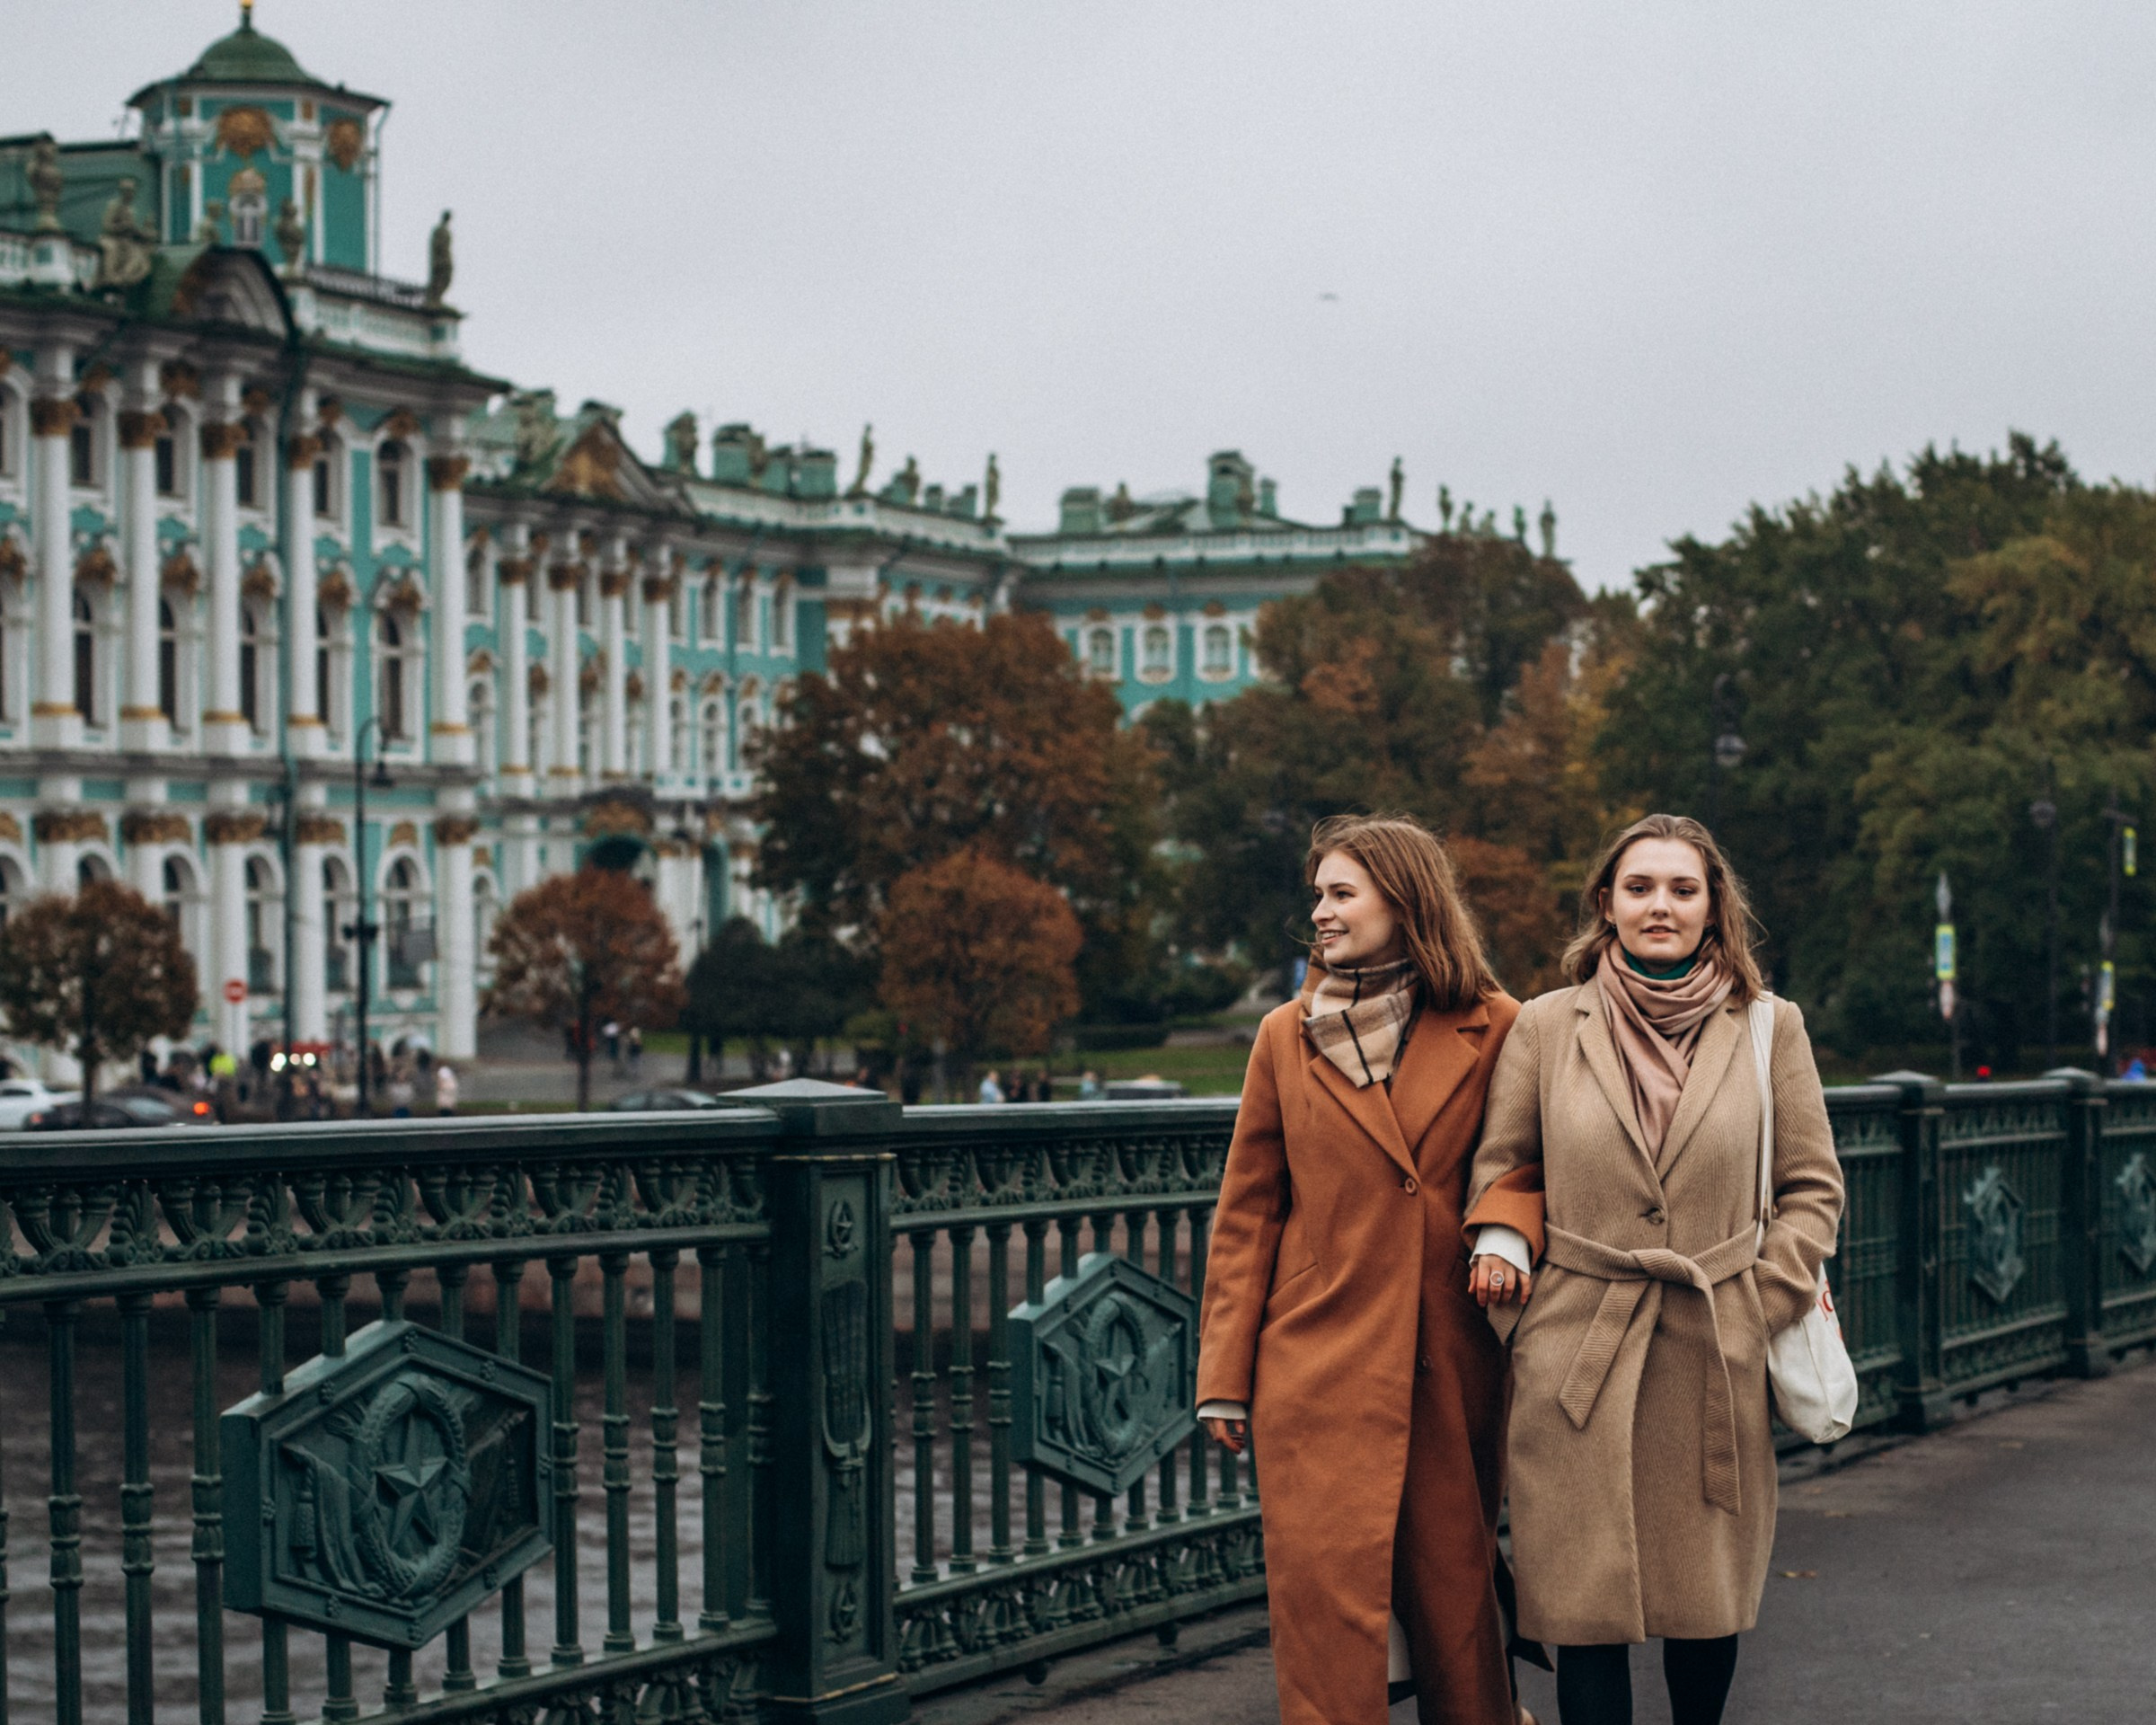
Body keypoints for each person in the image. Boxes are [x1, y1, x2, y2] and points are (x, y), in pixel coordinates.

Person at [1464, 814, 1845, 1725]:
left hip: (1713, 1346)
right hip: (1576, 1358)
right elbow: (1502, 1168)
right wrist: (1529, 1308)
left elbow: (1813, 1189)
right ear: (1607, 903)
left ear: (1715, 905)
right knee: (1584, 1611)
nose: (1660, 907)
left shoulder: (1768, 1027)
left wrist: (1755, 1306)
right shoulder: (1548, 1027)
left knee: (1703, 1605)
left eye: (1682, 888)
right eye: (1640, 888)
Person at [1197, 814, 1528, 1725]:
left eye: (1341, 893)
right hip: (1315, 1364)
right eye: (1319, 895)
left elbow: (1528, 1162)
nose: (1322, 913)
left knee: (1456, 1603)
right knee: (1324, 1616)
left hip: (1445, 1360)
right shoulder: (1282, 1035)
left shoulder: (1499, 1025)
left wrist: (1503, 1228)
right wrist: (1223, 1380)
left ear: (1404, 901)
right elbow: (1249, 1215)